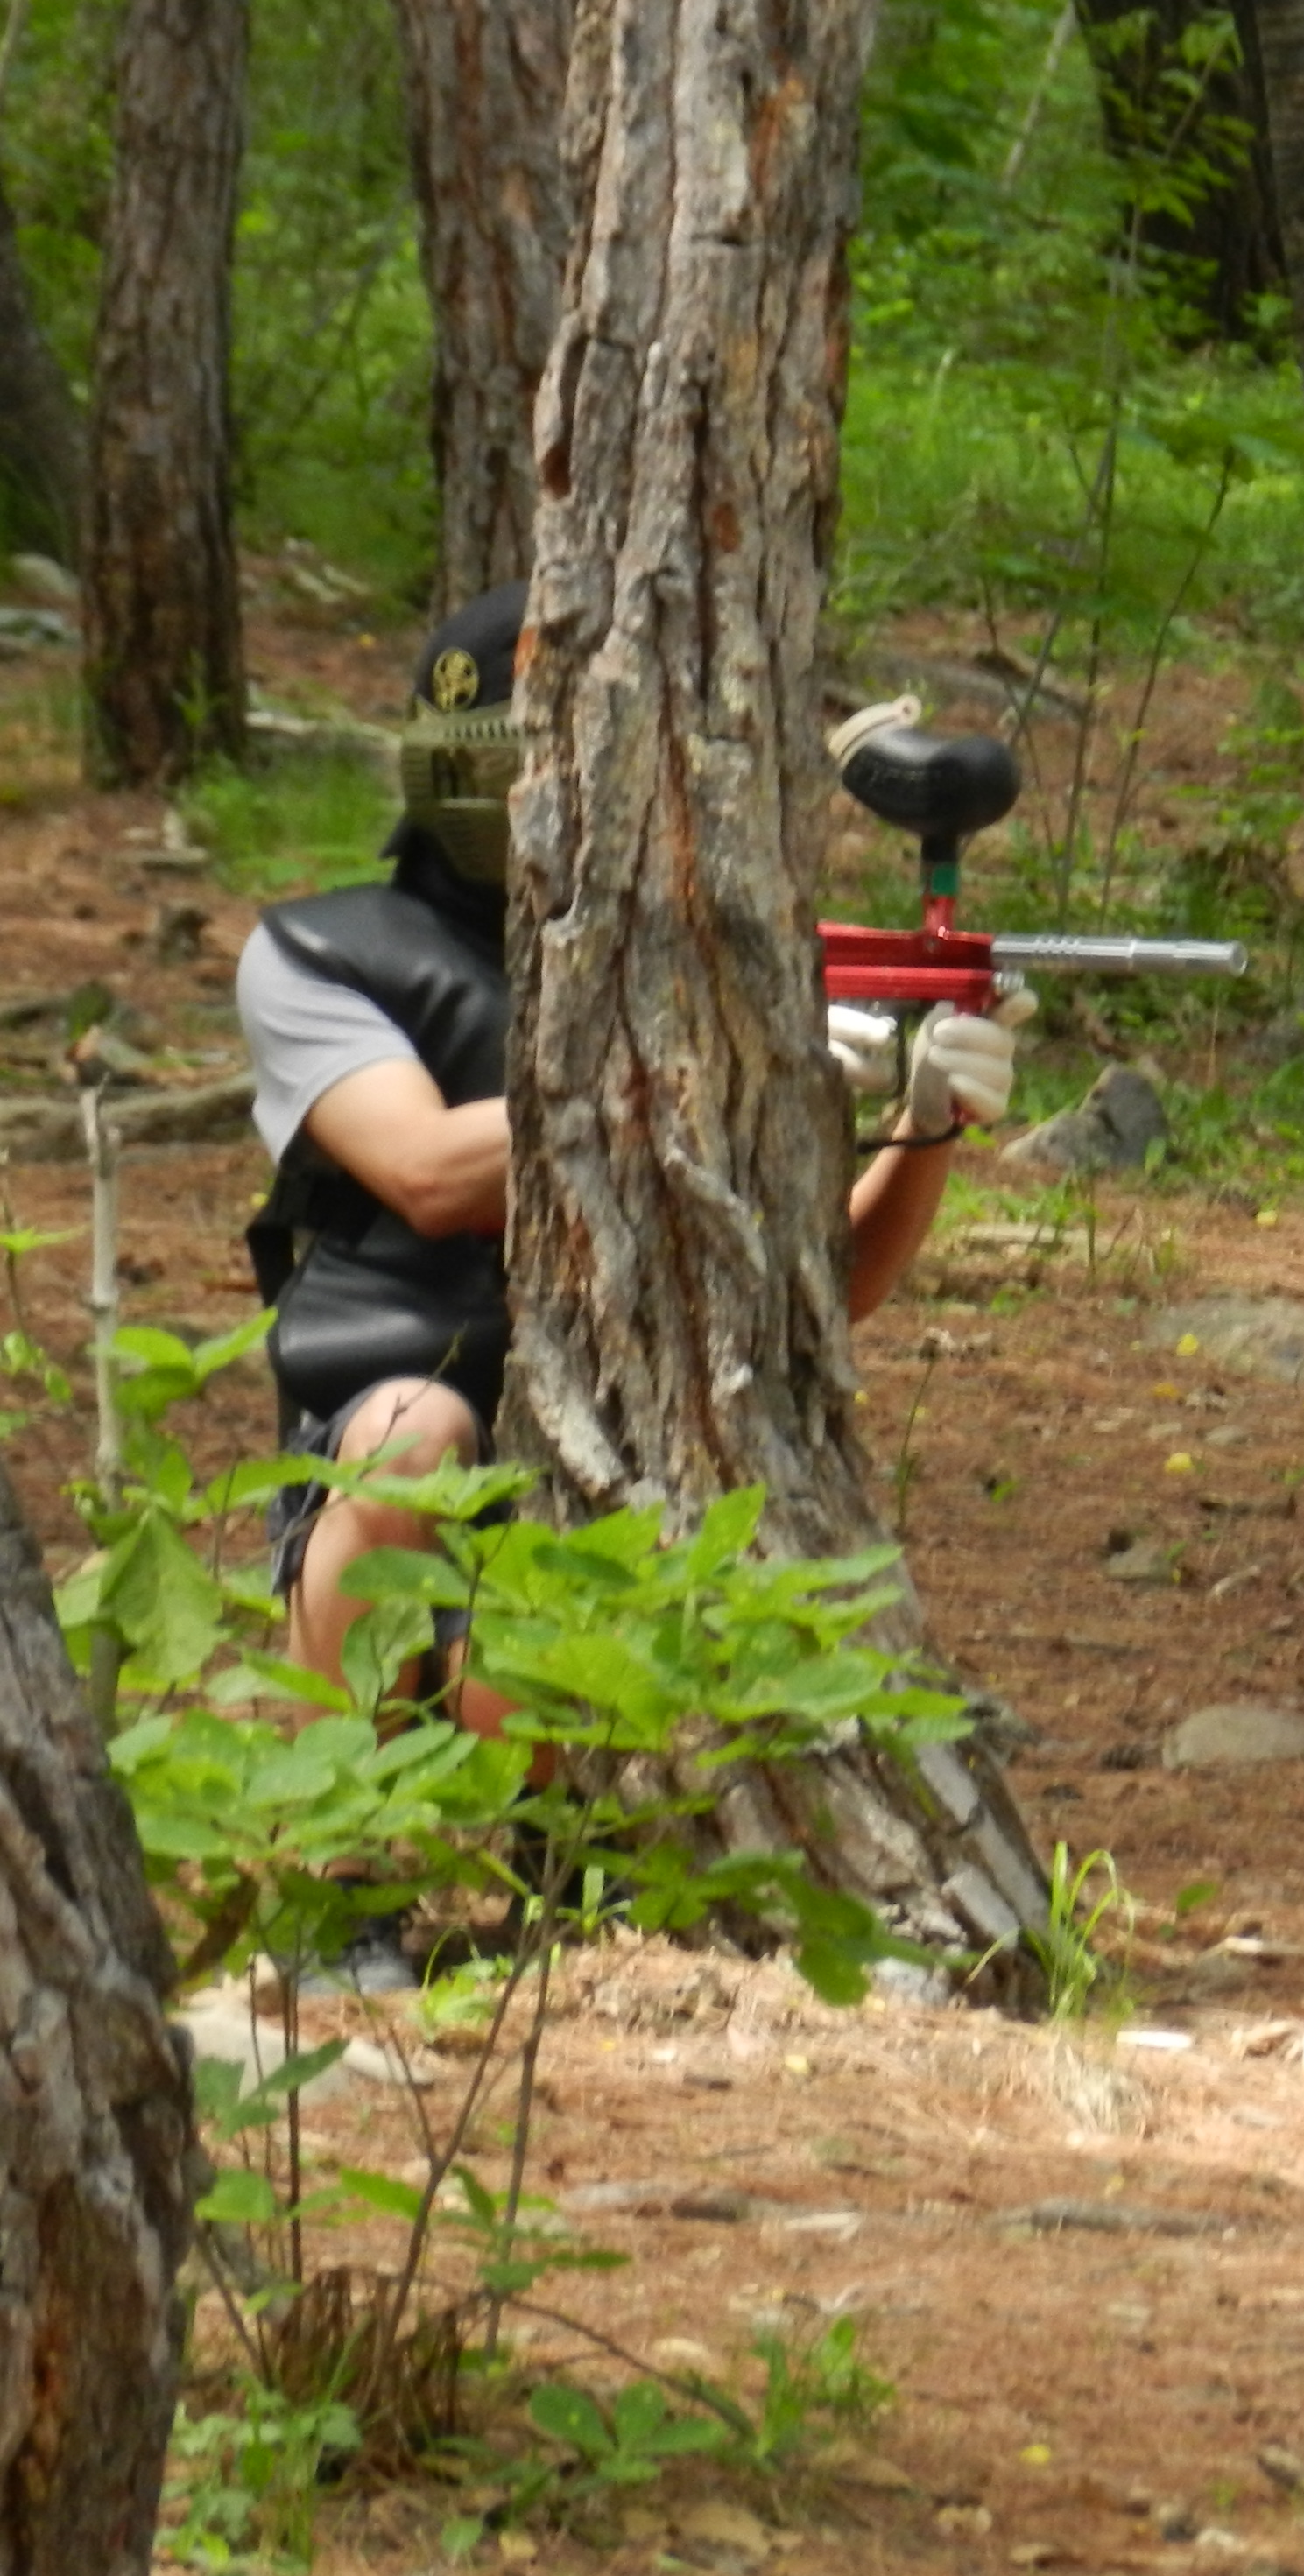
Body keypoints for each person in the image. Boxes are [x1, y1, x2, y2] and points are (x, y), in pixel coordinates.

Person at [236, 581, 1026, 1988]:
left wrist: (922, 1124)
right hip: (406, 1428)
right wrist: (678, 1075)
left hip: (615, 1457)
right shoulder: (321, 952)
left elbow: (819, 1292)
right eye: (510, 765)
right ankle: (328, 1891)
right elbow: (422, 1169)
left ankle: (599, 1898)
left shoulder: (695, 951)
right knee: (411, 1437)